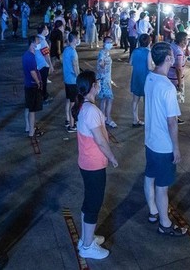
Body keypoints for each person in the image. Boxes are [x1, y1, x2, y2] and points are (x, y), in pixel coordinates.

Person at [71, 71, 119, 260]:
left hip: (86, 162)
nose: (99, 85)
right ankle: (87, 247)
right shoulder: (90, 111)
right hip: (93, 164)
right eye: (97, 83)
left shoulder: (85, 106)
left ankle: (86, 238)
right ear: (91, 87)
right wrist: (112, 157)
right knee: (93, 204)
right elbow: (100, 140)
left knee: (89, 201)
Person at [143, 42, 188, 237]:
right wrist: (176, 148)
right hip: (163, 145)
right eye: (172, 55)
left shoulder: (150, 77)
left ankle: (153, 211)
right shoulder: (168, 87)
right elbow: (172, 122)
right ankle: (165, 223)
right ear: (168, 58)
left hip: (150, 140)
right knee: (162, 187)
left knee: (149, 176)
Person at [23, 36, 45, 139]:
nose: (39, 44)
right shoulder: (31, 57)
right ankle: (32, 132)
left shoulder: (26, 54)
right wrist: (38, 82)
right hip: (32, 85)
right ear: (32, 44)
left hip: (28, 84)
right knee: (32, 110)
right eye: (37, 42)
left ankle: (28, 127)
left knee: (28, 107)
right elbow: (33, 72)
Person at [130, 34, 153, 127]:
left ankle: (135, 120)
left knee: (135, 100)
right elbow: (150, 67)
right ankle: (147, 119)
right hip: (145, 77)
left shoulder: (135, 51)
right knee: (146, 100)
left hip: (136, 76)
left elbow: (130, 62)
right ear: (149, 42)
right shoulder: (148, 52)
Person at [96, 36, 117, 127]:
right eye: (108, 42)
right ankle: (108, 118)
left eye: (111, 42)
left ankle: (103, 117)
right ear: (104, 43)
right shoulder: (102, 53)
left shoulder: (106, 52)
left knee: (103, 99)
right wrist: (103, 67)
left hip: (105, 79)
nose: (110, 44)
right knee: (109, 98)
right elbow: (101, 62)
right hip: (104, 80)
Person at [62, 32, 81, 133]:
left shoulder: (66, 50)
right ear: (74, 39)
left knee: (68, 100)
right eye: (78, 38)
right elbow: (75, 66)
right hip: (73, 81)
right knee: (73, 104)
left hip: (67, 79)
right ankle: (72, 125)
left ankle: (68, 120)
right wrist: (79, 77)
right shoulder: (73, 52)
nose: (79, 39)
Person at [168, 32, 188, 123]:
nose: (187, 41)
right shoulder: (179, 52)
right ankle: (174, 118)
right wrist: (180, 83)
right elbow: (179, 68)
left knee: (170, 99)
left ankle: (171, 117)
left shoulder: (172, 46)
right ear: (182, 40)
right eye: (186, 39)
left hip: (169, 76)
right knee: (175, 99)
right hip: (175, 79)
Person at [36, 24, 54, 103]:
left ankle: (43, 95)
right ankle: (44, 97)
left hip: (38, 64)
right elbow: (46, 55)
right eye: (46, 29)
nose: (47, 30)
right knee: (43, 82)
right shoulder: (43, 42)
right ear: (43, 30)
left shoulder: (37, 39)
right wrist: (50, 65)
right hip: (43, 64)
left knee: (41, 81)